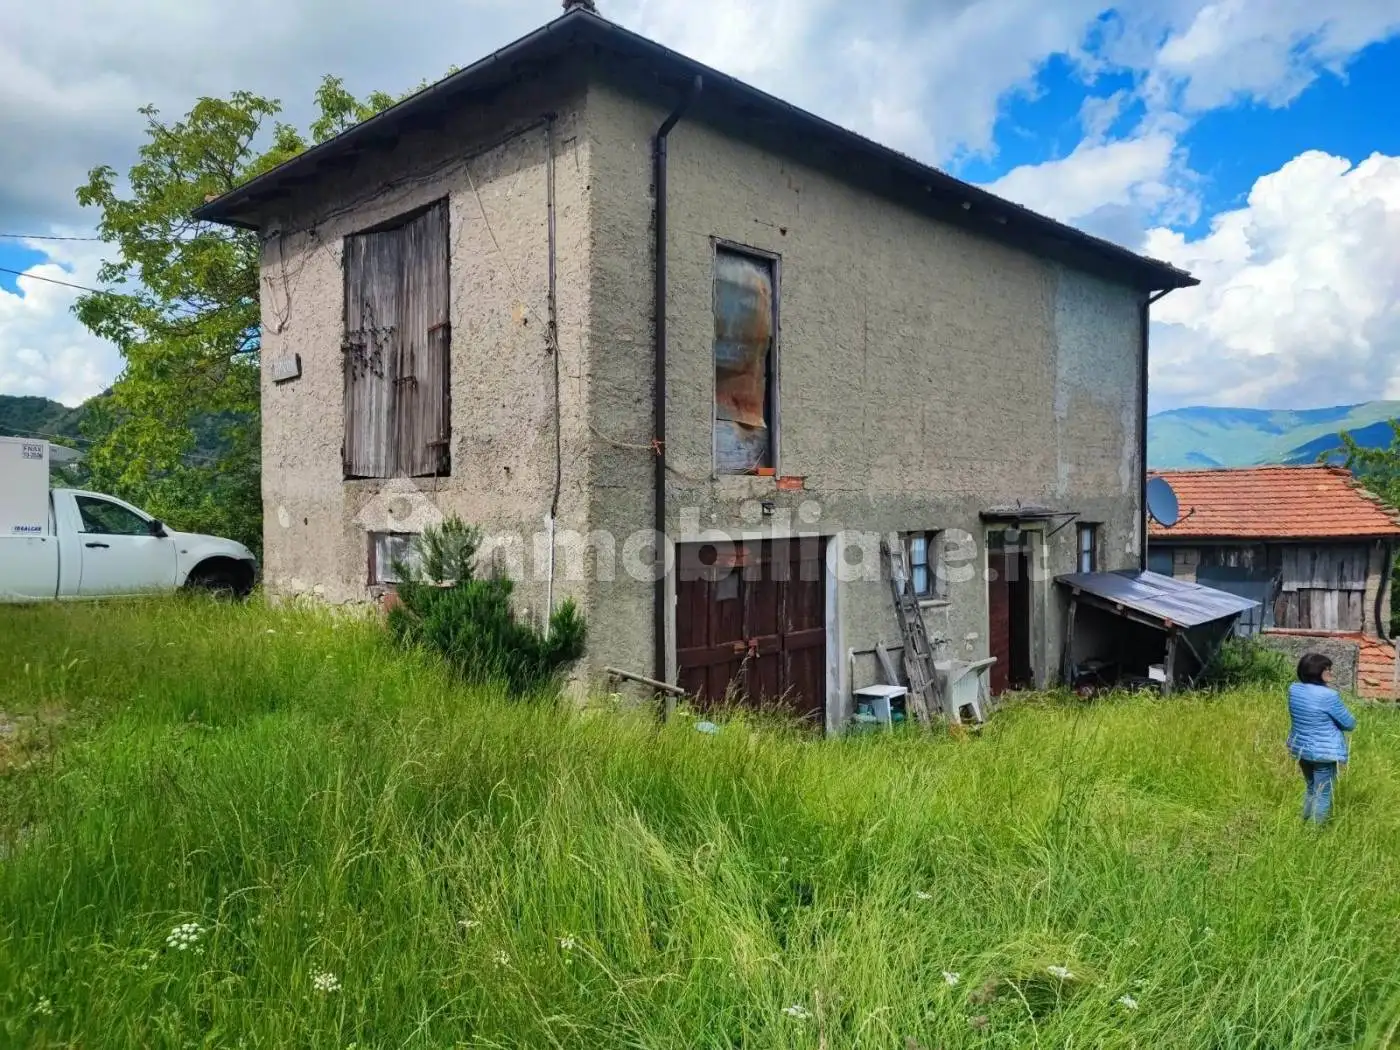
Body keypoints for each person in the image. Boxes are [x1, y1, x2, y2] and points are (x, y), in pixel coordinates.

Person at [1286, 653, 1357, 823]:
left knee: (1311, 788)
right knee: (1323, 794)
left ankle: (1304, 824)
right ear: (1317, 671)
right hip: (1324, 753)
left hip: (1302, 748)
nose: (1331, 672)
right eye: (1328, 669)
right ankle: (1315, 833)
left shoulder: (1294, 689)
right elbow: (1349, 723)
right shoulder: (1328, 696)